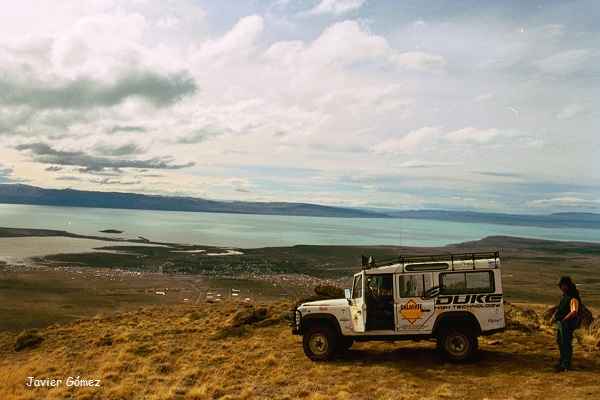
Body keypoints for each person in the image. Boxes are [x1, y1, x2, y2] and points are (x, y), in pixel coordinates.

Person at [552, 276, 580, 372]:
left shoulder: (573, 297)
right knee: (560, 342)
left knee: (566, 343)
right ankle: (562, 361)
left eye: (562, 285)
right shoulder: (566, 295)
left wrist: (564, 319)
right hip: (562, 323)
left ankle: (566, 364)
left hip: (567, 324)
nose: (560, 288)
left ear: (566, 285)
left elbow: (574, 311)